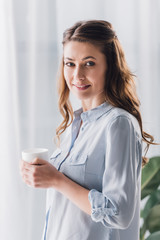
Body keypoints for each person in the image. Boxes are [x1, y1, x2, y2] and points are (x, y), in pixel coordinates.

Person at [20, 20, 154, 240]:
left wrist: (56, 180)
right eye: (70, 63)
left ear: (110, 66)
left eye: (89, 63)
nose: (77, 75)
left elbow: (119, 213)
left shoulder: (118, 124)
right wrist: (39, 174)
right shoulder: (76, 124)